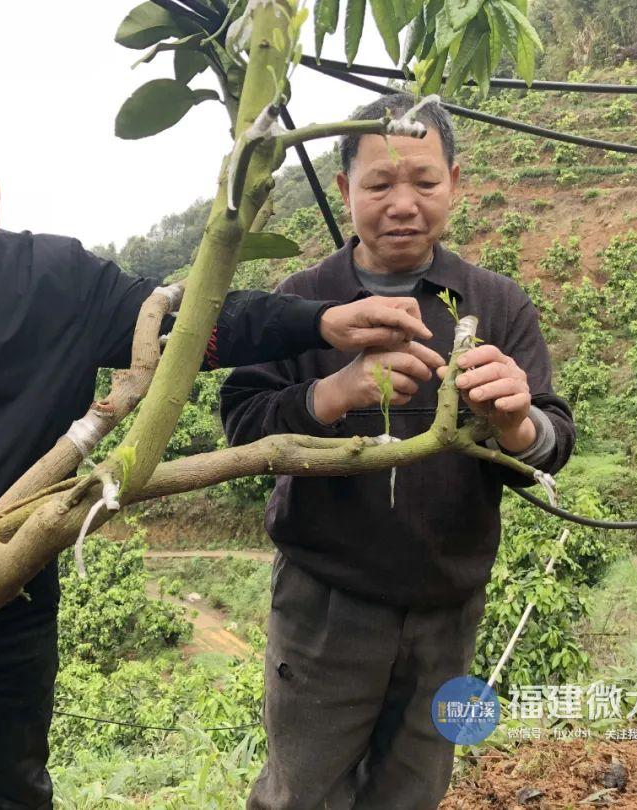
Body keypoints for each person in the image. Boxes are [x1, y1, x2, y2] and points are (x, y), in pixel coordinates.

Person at [0, 86, 434, 809]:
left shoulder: (58, 281)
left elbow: (190, 320)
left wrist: (321, 322)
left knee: (20, 789)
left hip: (12, 586)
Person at [220, 93, 576, 810]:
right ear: (347, 190)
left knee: (414, 793)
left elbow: (553, 442)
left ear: (456, 183)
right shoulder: (303, 299)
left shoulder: (494, 303)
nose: (403, 203)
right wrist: (337, 392)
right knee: (302, 795)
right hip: (326, 608)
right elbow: (242, 425)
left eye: (424, 181)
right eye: (380, 185)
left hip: (450, 608)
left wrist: (515, 423)